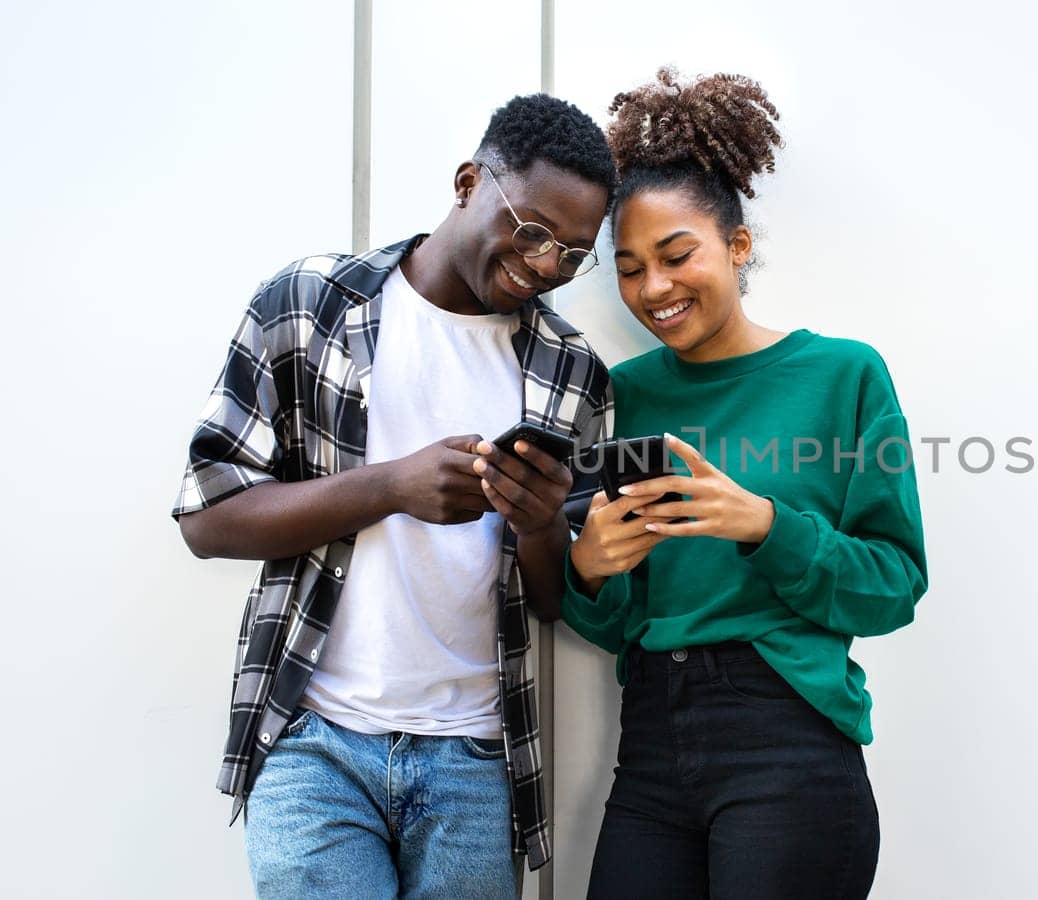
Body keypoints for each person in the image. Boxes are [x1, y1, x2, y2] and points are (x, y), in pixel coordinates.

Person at [171, 94, 616, 898]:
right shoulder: (308, 304)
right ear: (469, 182)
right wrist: (389, 486)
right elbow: (208, 519)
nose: (546, 265)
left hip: (475, 760)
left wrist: (542, 523)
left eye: (573, 253)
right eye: (534, 231)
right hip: (313, 743)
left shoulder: (570, 372)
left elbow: (553, 603)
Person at [562, 68, 929, 900]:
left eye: (676, 254)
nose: (653, 287)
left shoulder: (844, 375)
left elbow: (895, 587)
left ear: (736, 246)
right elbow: (616, 619)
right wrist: (589, 568)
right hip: (651, 740)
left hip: (786, 740)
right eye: (628, 267)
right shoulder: (628, 394)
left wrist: (766, 524)